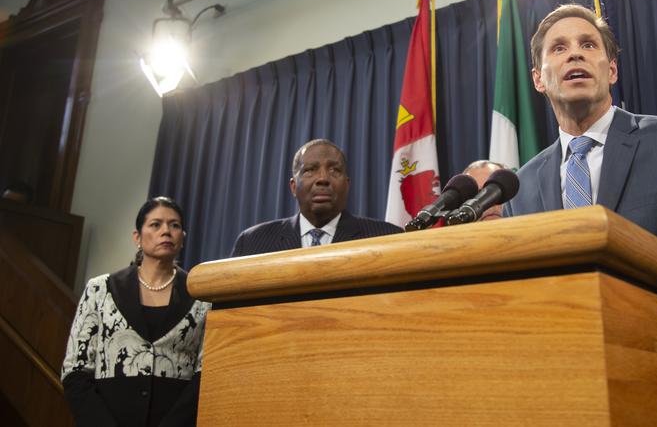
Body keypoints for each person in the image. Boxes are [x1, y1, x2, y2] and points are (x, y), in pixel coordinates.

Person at [502, 4, 657, 365]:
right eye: (559, 48)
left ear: (612, 70)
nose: (575, 52)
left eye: (588, 44)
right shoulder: (520, 188)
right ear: (538, 79)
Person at [62, 197, 209, 427]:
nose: (166, 231)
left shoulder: (202, 295)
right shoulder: (100, 289)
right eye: (155, 224)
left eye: (175, 225)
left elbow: (206, 373)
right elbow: (75, 369)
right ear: (137, 237)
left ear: (183, 237)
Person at [231, 139, 402, 256]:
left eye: (334, 170)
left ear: (347, 185)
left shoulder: (387, 239)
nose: (323, 179)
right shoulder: (252, 243)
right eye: (310, 170)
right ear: (293, 187)